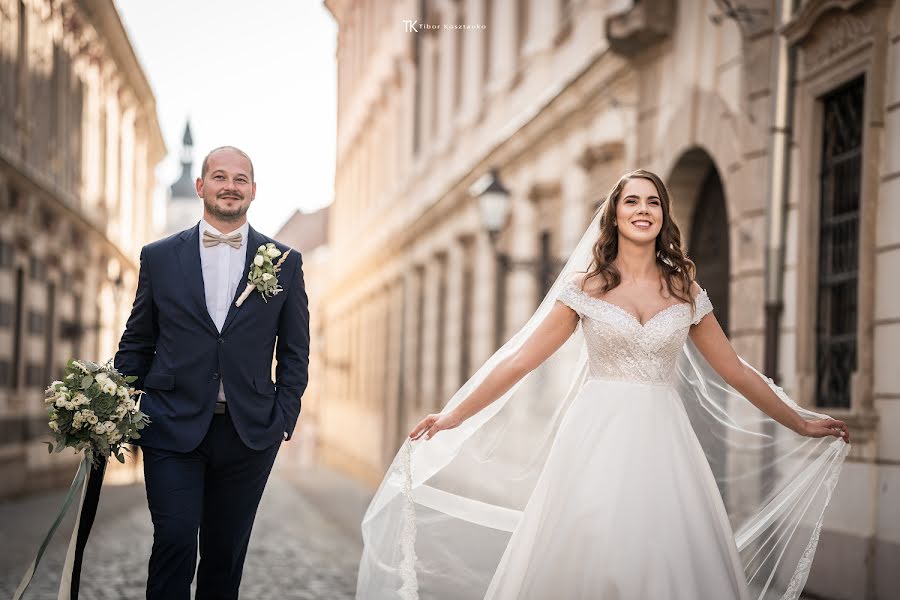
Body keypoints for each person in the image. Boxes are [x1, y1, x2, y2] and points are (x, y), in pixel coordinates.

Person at [356, 169, 850, 600]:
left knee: (668, 553)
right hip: (594, 440)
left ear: (663, 216)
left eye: (653, 201)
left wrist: (801, 421)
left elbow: (736, 371)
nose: (643, 209)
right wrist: (453, 415)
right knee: (590, 543)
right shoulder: (586, 289)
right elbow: (521, 360)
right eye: (631, 200)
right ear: (614, 216)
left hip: (664, 444)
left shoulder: (685, 290)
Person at [115, 146, 310, 600]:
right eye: (220, 177)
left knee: (224, 557)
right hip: (170, 426)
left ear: (254, 191)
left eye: (240, 179)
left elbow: (296, 351)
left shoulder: (284, 261)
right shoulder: (159, 257)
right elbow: (138, 341)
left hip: (248, 433)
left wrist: (282, 417)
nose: (230, 186)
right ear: (201, 186)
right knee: (175, 542)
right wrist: (114, 408)